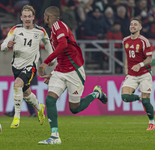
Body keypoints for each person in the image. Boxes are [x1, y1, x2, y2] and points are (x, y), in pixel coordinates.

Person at [38, 6, 108, 145]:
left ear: (48, 17)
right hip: (61, 71)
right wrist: (53, 73)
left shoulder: (58, 25)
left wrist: (45, 62)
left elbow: (63, 45)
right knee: (50, 100)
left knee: (74, 109)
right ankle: (54, 136)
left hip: (74, 71)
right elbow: (64, 55)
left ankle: (96, 93)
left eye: (45, 16)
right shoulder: (53, 32)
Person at [1, 5, 54, 129]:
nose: (27, 18)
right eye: (25, 16)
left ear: (33, 17)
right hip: (16, 66)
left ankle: (16, 117)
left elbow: (48, 43)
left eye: (29, 16)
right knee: (26, 94)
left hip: (31, 66)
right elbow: (2, 46)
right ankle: (39, 108)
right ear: (21, 18)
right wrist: (7, 45)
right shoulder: (15, 30)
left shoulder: (40, 31)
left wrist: (51, 57)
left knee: (17, 84)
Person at [121, 18, 155, 131]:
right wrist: (126, 66)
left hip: (144, 73)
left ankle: (151, 123)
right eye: (131, 24)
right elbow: (127, 55)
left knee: (147, 101)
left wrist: (140, 65)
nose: (133, 26)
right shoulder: (125, 40)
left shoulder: (144, 41)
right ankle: (140, 98)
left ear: (140, 27)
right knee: (125, 97)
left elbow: (149, 59)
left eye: (135, 24)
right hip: (132, 74)